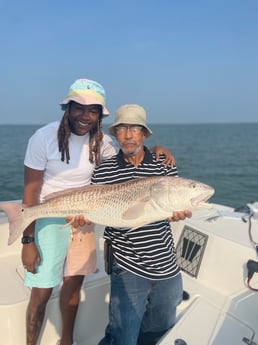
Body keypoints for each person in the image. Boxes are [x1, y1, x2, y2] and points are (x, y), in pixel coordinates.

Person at [21, 79, 176, 345]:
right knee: (42, 289)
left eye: (93, 110)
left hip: (85, 216)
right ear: (67, 108)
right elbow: (31, 190)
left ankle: (66, 341)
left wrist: (159, 150)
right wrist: (28, 239)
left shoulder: (104, 143)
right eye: (79, 108)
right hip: (49, 214)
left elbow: (128, 159)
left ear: (99, 116)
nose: (85, 115)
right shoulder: (43, 138)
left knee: (73, 285)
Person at [91, 104, 192, 345]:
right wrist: (82, 216)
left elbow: (174, 200)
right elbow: (96, 208)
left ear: (144, 134)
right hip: (127, 265)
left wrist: (177, 212)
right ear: (115, 134)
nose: (128, 135)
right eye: (122, 129)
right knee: (122, 336)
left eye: (135, 129)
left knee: (160, 330)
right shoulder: (104, 171)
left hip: (166, 264)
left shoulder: (164, 164)